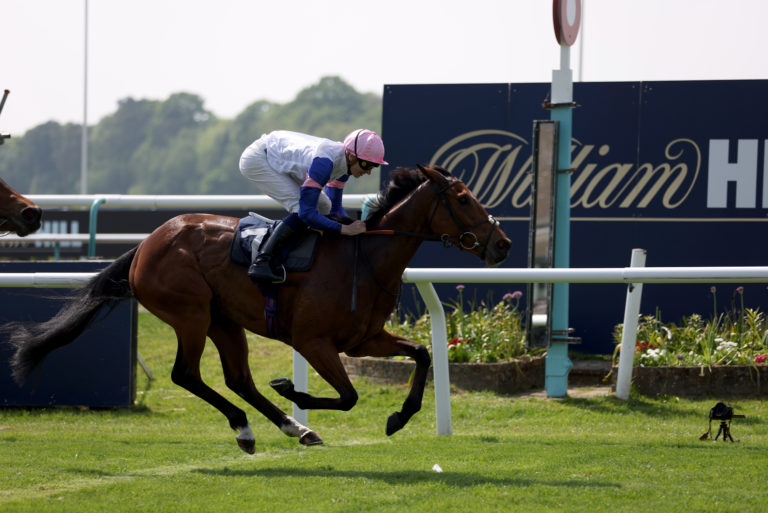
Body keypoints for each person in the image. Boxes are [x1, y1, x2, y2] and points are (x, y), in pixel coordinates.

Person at [239, 128, 387, 283]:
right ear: (351, 156)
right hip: (257, 160)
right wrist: (345, 229)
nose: (369, 171)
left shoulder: (344, 165)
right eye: (366, 164)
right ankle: (262, 262)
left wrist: (354, 230)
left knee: (325, 205)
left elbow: (334, 210)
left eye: (374, 166)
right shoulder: (324, 164)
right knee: (299, 207)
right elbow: (306, 214)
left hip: (276, 154)